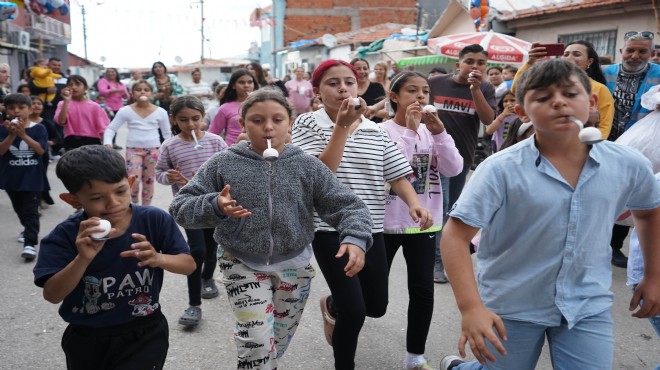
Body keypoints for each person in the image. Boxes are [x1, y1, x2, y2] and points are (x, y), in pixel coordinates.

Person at [438, 58, 660, 370]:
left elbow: (649, 212)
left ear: (592, 103)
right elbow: (455, 236)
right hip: (511, 305)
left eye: (570, 94)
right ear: (521, 111)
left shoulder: (627, 163)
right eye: (542, 98)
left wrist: (653, 275)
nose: (558, 102)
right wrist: (470, 308)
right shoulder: (500, 169)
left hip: (587, 304)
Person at [170, 88, 373, 370]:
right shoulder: (223, 163)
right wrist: (215, 204)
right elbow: (181, 207)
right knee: (257, 349)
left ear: (289, 123)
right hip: (241, 263)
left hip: (295, 269)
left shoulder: (307, 165)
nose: (267, 127)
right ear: (242, 124)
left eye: (277, 119)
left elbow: (349, 206)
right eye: (256, 120)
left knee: (274, 344)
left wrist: (355, 238)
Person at [291, 59, 433, 370]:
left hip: (371, 227)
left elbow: (397, 175)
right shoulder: (307, 124)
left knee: (376, 306)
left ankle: (332, 305)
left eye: (349, 82)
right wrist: (341, 127)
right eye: (333, 83)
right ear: (316, 91)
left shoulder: (375, 130)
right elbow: (320, 174)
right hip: (329, 228)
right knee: (354, 312)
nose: (343, 88)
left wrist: (414, 203)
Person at [32, 145, 195, 370]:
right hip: (87, 336)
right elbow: (52, 294)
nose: (113, 203)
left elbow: (188, 265)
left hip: (145, 331)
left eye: (120, 191)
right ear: (73, 200)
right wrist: (82, 259)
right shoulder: (65, 235)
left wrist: (158, 258)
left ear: (130, 184)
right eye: (97, 197)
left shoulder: (154, 220)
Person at [381, 71, 463, 370]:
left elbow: (454, 169)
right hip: (386, 223)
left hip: (425, 222)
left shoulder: (434, 131)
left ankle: (415, 355)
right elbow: (395, 170)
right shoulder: (380, 131)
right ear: (394, 97)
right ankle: (337, 306)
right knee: (374, 295)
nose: (419, 97)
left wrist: (439, 133)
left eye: (424, 92)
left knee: (422, 290)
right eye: (411, 91)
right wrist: (410, 133)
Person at [156, 96, 227, 327]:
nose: (190, 124)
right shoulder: (169, 146)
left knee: (211, 247)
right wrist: (169, 176)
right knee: (196, 250)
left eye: (195, 118)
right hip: (188, 207)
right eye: (184, 120)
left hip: (214, 205)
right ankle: (194, 304)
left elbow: (230, 168)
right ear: (173, 120)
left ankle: (208, 277)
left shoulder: (215, 142)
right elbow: (159, 173)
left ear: (203, 116)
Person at [429, 44, 496, 283]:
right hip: (434, 157)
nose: (475, 66)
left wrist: (476, 90)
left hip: (462, 158)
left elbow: (489, 121)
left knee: (451, 210)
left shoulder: (486, 88)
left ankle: (442, 256)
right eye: (470, 61)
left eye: (480, 63)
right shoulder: (435, 84)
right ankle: (437, 262)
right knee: (442, 204)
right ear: (458, 65)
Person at [603, 31, 660, 268]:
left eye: (642, 51)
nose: (635, 55)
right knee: (601, 191)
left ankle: (614, 246)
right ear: (621, 51)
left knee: (627, 194)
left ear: (651, 53)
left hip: (637, 145)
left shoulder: (658, 75)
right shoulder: (605, 73)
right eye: (630, 50)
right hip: (602, 139)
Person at [512, 40, 614, 140]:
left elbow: (604, 126)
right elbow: (517, 89)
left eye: (576, 54)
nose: (569, 58)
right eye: (565, 54)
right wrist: (530, 62)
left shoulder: (600, 89)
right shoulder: (550, 81)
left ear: (589, 61)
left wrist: (589, 146)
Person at [103, 80, 171, 206]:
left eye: (146, 90)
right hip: (133, 150)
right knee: (134, 180)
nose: (142, 92)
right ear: (133, 94)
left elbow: (167, 134)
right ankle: (133, 204)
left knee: (149, 181)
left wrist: (169, 151)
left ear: (151, 93)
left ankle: (146, 208)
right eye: (139, 89)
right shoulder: (125, 111)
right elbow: (111, 129)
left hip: (154, 151)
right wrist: (108, 143)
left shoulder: (161, 112)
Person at [0, 93, 48, 260]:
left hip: (33, 178)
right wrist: (12, 135)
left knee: (31, 211)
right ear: (6, 111)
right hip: (11, 178)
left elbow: (41, 150)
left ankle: (29, 243)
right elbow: (1, 151)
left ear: (30, 109)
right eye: (12, 108)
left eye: (21, 108)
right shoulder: (2, 129)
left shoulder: (39, 128)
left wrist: (23, 135)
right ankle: (27, 228)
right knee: (20, 210)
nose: (16, 111)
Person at [55, 75, 109, 151]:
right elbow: (61, 121)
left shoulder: (95, 107)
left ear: (85, 87)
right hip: (71, 141)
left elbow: (102, 128)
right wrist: (66, 101)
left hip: (92, 142)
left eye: (78, 84)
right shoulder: (62, 104)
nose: (73, 87)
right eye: (70, 85)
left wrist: (107, 144)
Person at [208, 69, 256, 146]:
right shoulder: (225, 108)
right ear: (233, 85)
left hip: (258, 151)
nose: (246, 85)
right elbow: (212, 133)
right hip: (233, 151)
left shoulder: (260, 106)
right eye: (241, 82)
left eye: (250, 82)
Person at [29, 95, 57, 207]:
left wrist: (49, 142)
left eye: (39, 104)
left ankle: (39, 199)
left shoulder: (46, 123)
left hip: (42, 156)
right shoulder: (22, 123)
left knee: (40, 177)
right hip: (25, 155)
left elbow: (56, 139)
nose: (36, 106)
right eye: (33, 103)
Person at [351, 58, 387, 122]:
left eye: (365, 68)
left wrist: (370, 111)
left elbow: (387, 112)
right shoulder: (348, 90)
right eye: (358, 69)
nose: (362, 72)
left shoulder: (377, 87)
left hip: (375, 128)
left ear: (369, 70)